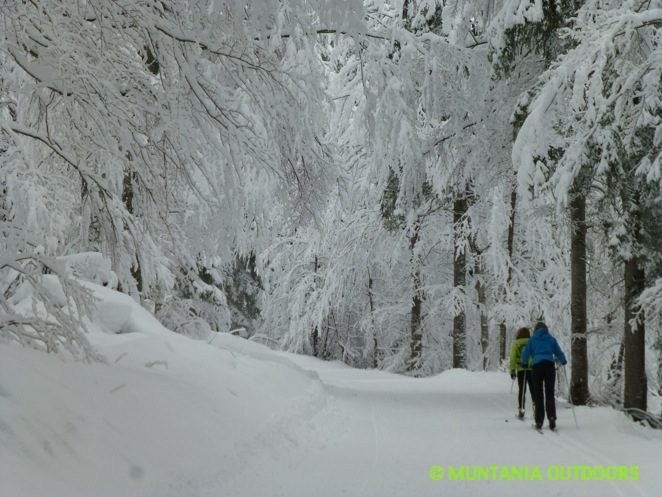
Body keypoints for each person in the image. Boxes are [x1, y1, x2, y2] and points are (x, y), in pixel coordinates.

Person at [521, 321, 567, 431]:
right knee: (550, 393)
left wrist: (524, 362)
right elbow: (559, 352)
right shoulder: (551, 339)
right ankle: (551, 417)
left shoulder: (532, 340)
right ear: (546, 329)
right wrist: (563, 360)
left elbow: (526, 352)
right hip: (549, 367)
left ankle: (539, 421)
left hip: (537, 367)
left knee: (538, 394)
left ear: (536, 330)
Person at [509, 327, 534, 419]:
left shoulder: (516, 343)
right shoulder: (532, 342)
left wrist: (512, 370)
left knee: (522, 390)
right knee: (533, 390)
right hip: (532, 369)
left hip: (521, 370)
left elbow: (512, 357)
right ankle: (535, 408)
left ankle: (521, 409)